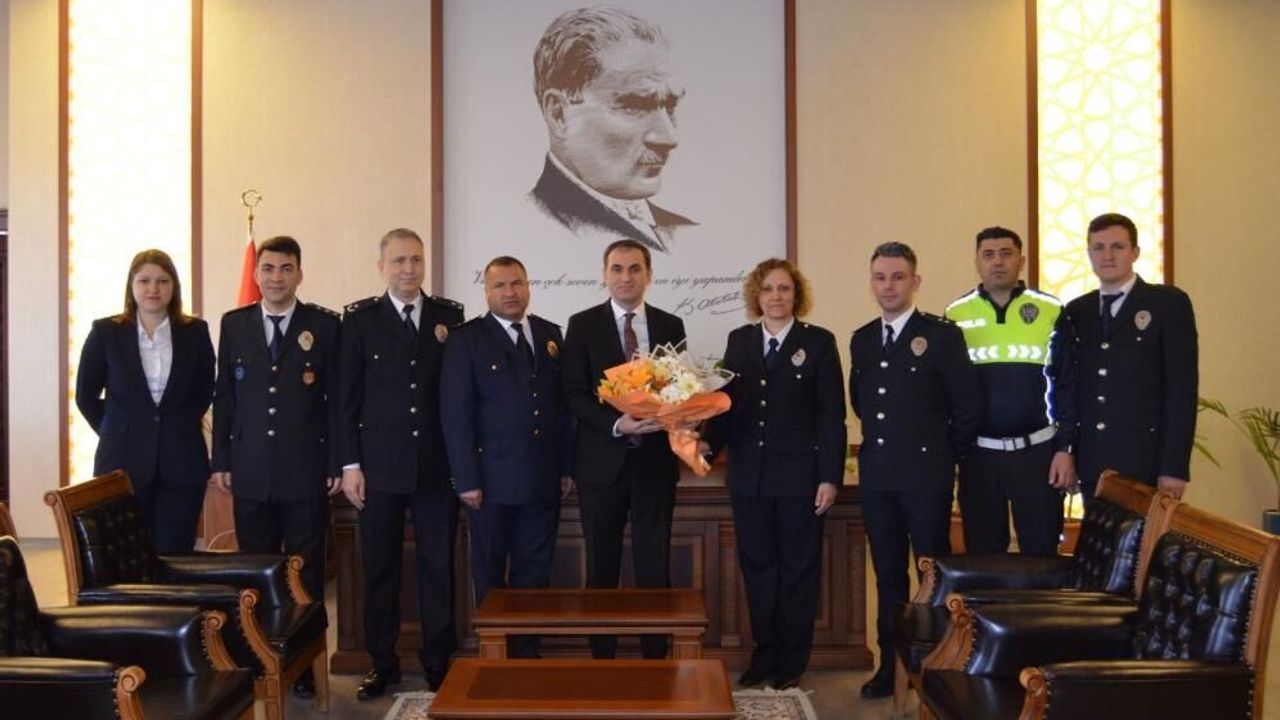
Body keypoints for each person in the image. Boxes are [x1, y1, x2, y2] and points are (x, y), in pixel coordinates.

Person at [701, 258, 845, 690]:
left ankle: (791, 661)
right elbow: (726, 407)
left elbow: (831, 415)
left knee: (798, 571)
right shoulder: (740, 341)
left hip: (801, 480)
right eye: (768, 289)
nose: (776, 296)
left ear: (796, 294)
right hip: (750, 479)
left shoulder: (818, 342)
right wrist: (705, 444)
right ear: (756, 296)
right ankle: (764, 656)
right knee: (758, 570)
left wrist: (829, 476)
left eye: (784, 288)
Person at [210, 235, 341, 699]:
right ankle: (260, 660)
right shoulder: (234, 324)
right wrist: (221, 459)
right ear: (256, 274)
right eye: (267, 269)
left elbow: (336, 403)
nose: (276, 277)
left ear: (300, 274)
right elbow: (225, 395)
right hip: (250, 470)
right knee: (257, 572)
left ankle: (303, 667)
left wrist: (335, 461)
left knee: (303, 575)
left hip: (306, 471)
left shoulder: (324, 326)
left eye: (286, 269)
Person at [849, 242, 980, 699]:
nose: (888, 286)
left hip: (926, 477)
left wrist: (941, 457)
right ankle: (891, 667)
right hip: (879, 478)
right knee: (888, 577)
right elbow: (861, 403)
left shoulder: (941, 336)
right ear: (872, 282)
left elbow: (967, 406)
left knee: (931, 575)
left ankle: (935, 666)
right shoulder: (863, 339)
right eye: (880, 277)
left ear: (915, 281)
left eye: (898, 276)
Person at [339, 228, 464, 699]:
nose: (409, 269)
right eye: (399, 261)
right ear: (382, 267)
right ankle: (382, 664)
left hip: (435, 467)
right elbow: (346, 400)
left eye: (415, 260)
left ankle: (438, 661)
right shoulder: (361, 320)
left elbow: (456, 397)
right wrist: (350, 464)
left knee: (438, 567)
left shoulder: (449, 317)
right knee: (379, 569)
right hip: (378, 469)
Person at [439, 256, 574, 658]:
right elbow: (456, 415)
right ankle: (496, 657)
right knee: (491, 574)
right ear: (487, 292)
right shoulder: (467, 340)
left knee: (535, 573)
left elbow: (563, 409)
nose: (510, 292)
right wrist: (466, 479)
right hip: (490, 483)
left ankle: (527, 654)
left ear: (528, 287)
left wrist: (565, 467)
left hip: (542, 479)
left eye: (517, 284)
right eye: (500, 285)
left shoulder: (550, 335)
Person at [561, 238, 686, 659]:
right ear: (604, 275)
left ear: (649, 274)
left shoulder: (671, 325)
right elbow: (573, 393)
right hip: (601, 465)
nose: (626, 277)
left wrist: (680, 414)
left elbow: (680, 389)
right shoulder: (582, 325)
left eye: (635, 269)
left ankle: (655, 657)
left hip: (654, 464)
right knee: (602, 564)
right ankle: (603, 658)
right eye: (617, 268)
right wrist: (616, 423)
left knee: (654, 564)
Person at [1049, 212, 1198, 500]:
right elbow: (1070, 387)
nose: (1107, 256)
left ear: (1135, 252)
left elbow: (1182, 391)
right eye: (1099, 248)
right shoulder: (1077, 311)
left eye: (1117, 247)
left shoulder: (1167, 304)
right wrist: (1068, 451)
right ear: (1089, 254)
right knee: (1096, 531)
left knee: (1143, 532)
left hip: (1146, 461)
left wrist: (1174, 467)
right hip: (1092, 460)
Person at [75, 248, 215, 553]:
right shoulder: (106, 332)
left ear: (174, 286)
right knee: (125, 551)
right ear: (132, 285)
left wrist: (173, 428)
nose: (153, 289)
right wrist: (118, 429)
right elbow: (86, 395)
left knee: (175, 551)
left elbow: (205, 390)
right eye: (144, 281)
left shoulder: (194, 332)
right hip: (122, 460)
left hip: (181, 459)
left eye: (163, 281)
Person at [530, 5, 695, 253]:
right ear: (559, 114)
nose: (669, 138)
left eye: (670, 106)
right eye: (635, 105)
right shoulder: (539, 226)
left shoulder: (682, 231)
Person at [944, 227, 1066, 556]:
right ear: (977, 262)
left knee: (1041, 555)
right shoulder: (955, 314)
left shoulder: (1051, 310)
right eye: (988, 255)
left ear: (1021, 261)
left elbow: (1069, 384)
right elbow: (946, 390)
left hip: (1037, 455)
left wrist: (1066, 448)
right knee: (983, 556)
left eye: (1006, 253)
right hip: (978, 457)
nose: (997, 261)